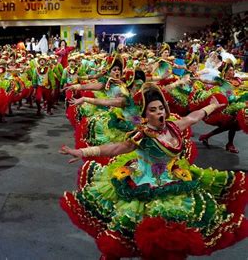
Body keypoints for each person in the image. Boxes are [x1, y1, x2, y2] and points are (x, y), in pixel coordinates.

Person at [60, 83, 247, 260]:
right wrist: (83, 152)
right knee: (130, 228)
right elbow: (116, 149)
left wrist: (211, 107)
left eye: (160, 108)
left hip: (172, 180)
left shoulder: (173, 127)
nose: (159, 113)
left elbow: (193, 117)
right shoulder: (142, 135)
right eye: (153, 110)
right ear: (145, 114)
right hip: (142, 182)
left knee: (168, 237)